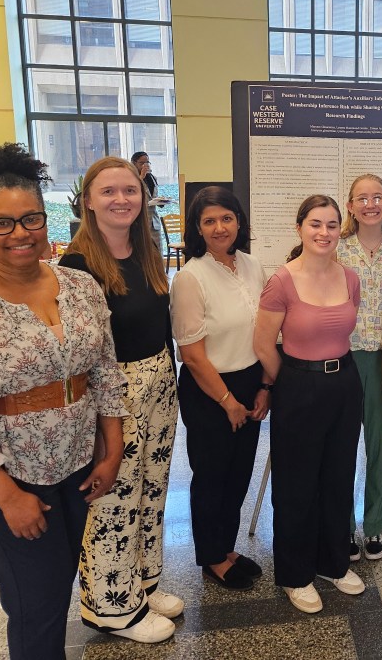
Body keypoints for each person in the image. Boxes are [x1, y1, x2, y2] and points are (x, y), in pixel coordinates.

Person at [0, 143, 127, 660]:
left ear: (46, 216)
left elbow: (104, 370)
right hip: (8, 473)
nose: (20, 233)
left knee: (61, 581)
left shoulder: (81, 287)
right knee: (35, 602)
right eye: (2, 223)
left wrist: (113, 449)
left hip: (77, 461)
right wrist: (9, 497)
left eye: (31, 218)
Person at [59, 156, 182, 643]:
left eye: (130, 190)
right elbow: (80, 356)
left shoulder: (145, 249)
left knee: (152, 489)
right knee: (115, 496)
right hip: (114, 392)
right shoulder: (77, 266)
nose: (121, 199)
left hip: (159, 381)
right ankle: (111, 605)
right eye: (108, 191)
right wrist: (99, 421)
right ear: (88, 201)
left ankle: (143, 583)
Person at [253, 195, 365, 614]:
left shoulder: (350, 278)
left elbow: (344, 329)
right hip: (298, 384)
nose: (324, 232)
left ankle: (332, 562)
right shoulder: (282, 281)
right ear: (299, 227)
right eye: (315, 224)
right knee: (296, 483)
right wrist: (291, 382)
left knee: (338, 476)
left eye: (332, 225)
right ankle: (295, 573)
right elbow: (263, 344)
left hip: (345, 383)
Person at [170, 186, 269, 591]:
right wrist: (228, 401)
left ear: (239, 221)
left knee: (239, 473)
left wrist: (265, 386)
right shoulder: (190, 277)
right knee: (212, 476)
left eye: (226, 218)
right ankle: (211, 557)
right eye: (208, 221)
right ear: (197, 228)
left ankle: (226, 547)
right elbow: (192, 355)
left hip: (250, 381)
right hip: (210, 389)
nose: (219, 227)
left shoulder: (251, 265)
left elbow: (266, 331)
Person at [336, 174, 382, 562]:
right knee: (344, 444)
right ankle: (344, 525)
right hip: (344, 357)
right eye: (361, 198)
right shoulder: (337, 247)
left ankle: (375, 524)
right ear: (350, 206)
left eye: (377, 197)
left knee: (379, 444)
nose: (370, 204)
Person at [131, 151, 166, 255]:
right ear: (134, 163)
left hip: (153, 222)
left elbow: (153, 197)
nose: (145, 165)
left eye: (147, 162)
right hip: (139, 222)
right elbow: (132, 191)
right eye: (142, 163)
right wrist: (141, 176)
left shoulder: (152, 178)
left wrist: (160, 201)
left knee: (157, 252)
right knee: (142, 252)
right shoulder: (131, 178)